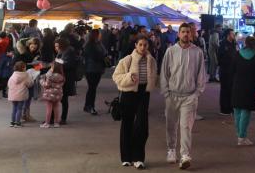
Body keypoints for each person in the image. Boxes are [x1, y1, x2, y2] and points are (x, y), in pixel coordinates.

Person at [160, 23, 206, 170]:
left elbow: (201, 74)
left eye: (188, 32)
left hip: (189, 97)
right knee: (171, 125)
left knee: (186, 127)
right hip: (172, 96)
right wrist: (166, 93)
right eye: (183, 32)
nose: (186, 34)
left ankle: (185, 155)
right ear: (178, 34)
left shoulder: (197, 52)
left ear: (191, 34)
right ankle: (171, 149)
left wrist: (197, 93)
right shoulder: (171, 51)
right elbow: (164, 73)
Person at [114, 34, 157, 170]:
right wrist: (129, 77)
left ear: (148, 46)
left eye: (145, 45)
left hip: (144, 94)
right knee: (127, 124)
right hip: (129, 93)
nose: (143, 47)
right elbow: (116, 76)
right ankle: (126, 157)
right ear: (136, 46)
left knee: (142, 126)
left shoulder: (151, 60)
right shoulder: (127, 60)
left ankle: (138, 157)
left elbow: (154, 76)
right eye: (140, 45)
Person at [231, 36, 255, 146]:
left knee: (237, 110)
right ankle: (242, 137)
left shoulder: (237, 54)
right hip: (249, 86)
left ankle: (239, 134)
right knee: (246, 111)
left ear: (245, 43)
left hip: (237, 84)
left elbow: (232, 70)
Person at [15, 37, 41, 122]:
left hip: (32, 78)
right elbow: (16, 65)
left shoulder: (37, 54)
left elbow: (39, 66)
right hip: (22, 77)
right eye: (32, 45)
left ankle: (26, 115)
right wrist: (31, 65)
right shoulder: (22, 53)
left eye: (35, 45)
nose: (33, 47)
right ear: (29, 44)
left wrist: (37, 67)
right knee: (22, 97)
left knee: (29, 97)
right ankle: (19, 116)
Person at [83, 28, 107, 115]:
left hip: (97, 69)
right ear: (95, 35)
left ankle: (87, 106)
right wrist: (103, 55)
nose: (101, 36)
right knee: (92, 88)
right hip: (91, 69)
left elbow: (105, 52)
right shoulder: (89, 45)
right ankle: (90, 106)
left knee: (92, 88)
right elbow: (96, 56)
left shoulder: (98, 43)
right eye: (99, 34)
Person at [54, 37, 77, 125]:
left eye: (57, 46)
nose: (56, 48)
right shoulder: (64, 51)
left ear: (62, 45)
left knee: (63, 99)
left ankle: (63, 118)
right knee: (59, 99)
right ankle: (55, 118)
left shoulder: (68, 51)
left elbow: (67, 64)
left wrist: (56, 64)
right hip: (62, 78)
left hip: (65, 79)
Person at [217, 28, 238, 115]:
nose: (234, 35)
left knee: (231, 89)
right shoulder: (223, 44)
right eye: (232, 34)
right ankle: (224, 109)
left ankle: (230, 107)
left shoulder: (233, 44)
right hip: (225, 71)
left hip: (232, 71)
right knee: (225, 89)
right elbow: (220, 58)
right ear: (228, 35)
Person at [39, 61, 65, 128]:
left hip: (50, 94)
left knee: (49, 108)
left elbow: (46, 85)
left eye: (52, 66)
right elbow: (61, 84)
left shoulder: (50, 76)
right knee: (56, 108)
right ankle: (56, 123)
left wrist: (41, 81)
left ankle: (47, 123)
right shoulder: (62, 76)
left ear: (54, 67)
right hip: (58, 94)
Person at [7, 61, 33, 127]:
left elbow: (9, 84)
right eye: (25, 67)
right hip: (21, 94)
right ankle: (17, 123)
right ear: (23, 68)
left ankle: (12, 122)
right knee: (19, 109)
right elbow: (29, 84)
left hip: (13, 94)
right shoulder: (26, 75)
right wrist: (32, 80)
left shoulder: (13, 75)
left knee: (14, 108)